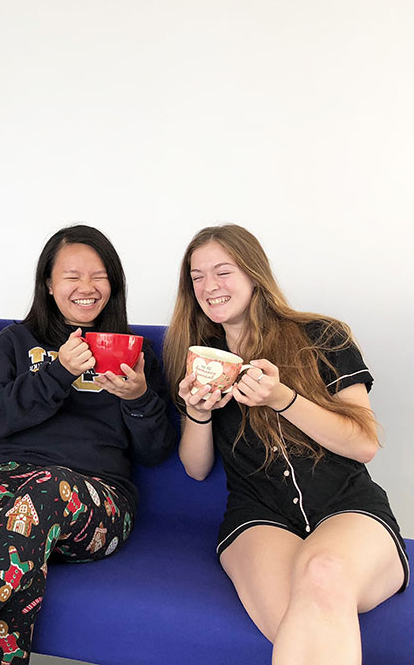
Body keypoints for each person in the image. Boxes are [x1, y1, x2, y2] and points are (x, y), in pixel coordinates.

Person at [0, 224, 176, 665]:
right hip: (5, 493)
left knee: (45, 493)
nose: (87, 287)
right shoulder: (13, 342)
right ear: (48, 283)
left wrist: (138, 398)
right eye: (72, 276)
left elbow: (156, 451)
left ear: (114, 284)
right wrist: (57, 373)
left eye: (99, 276)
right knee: (17, 569)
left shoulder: (136, 355)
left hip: (98, 504)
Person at [163, 224, 408, 665]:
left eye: (223, 271)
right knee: (299, 619)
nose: (209, 286)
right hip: (257, 517)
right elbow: (196, 469)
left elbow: (365, 444)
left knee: (324, 574)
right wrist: (198, 412)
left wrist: (284, 400)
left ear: (254, 273)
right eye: (197, 276)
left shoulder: (322, 336)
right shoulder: (199, 358)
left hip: (347, 507)